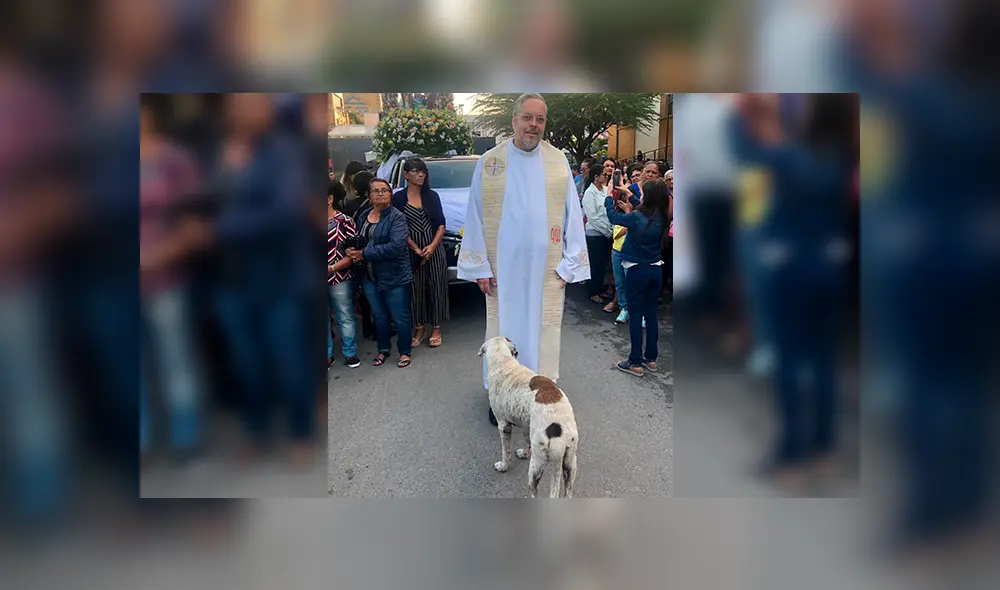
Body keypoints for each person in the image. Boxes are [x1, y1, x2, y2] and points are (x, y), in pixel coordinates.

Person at [728, 93, 853, 486]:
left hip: (792, 271)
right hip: (829, 269)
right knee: (822, 362)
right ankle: (825, 448)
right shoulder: (838, 160)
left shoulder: (787, 157)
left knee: (789, 364)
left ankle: (792, 457)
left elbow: (742, 150)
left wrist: (741, 109)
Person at [457, 93, 589, 423]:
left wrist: (570, 264)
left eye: (540, 119)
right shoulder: (490, 161)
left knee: (540, 333)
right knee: (503, 331)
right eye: (527, 117)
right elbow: (474, 214)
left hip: (546, 272)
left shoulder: (558, 161)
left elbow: (573, 215)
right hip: (504, 271)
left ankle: (539, 397)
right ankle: (500, 398)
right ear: (514, 120)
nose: (534, 125)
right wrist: (480, 267)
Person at [212, 93, 316, 465]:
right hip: (232, 281)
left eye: (251, 104)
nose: (242, 112)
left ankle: (300, 434)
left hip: (279, 282)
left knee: (288, 361)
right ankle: (256, 431)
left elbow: (285, 213)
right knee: (246, 364)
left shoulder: (283, 153)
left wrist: (218, 229)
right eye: (236, 104)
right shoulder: (222, 152)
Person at [139, 94, 212, 463]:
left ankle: (186, 438)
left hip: (164, 279)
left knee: (175, 360)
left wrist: (156, 256)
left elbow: (196, 224)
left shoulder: (172, 160)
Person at [605, 179, 671, 377]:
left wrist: (609, 196)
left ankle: (634, 361)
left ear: (647, 197)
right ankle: (651, 359)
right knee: (651, 315)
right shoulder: (662, 216)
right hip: (655, 271)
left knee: (635, 316)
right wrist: (628, 190)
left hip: (636, 270)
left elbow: (612, 216)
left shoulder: (636, 217)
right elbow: (642, 203)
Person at [347, 178, 414, 368]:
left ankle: (404, 351)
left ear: (390, 194)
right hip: (369, 276)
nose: (380, 194)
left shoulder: (397, 217)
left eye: (385, 190)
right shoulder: (363, 216)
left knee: (400, 316)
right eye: (376, 191)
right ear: (369, 196)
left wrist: (364, 253)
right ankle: (383, 349)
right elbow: (360, 239)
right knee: (379, 316)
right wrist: (351, 250)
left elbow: (396, 247)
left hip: (394, 275)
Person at [393, 157, 449, 349]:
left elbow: (441, 224)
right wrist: (415, 248)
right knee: (414, 291)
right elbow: (397, 227)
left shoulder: (432, 196)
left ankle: (435, 327)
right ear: (406, 175)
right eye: (416, 171)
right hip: (410, 249)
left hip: (434, 248)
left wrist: (432, 247)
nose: (421, 175)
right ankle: (419, 328)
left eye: (423, 171)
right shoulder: (398, 198)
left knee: (436, 287)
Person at [326, 180, 361, 369]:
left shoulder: (344, 221)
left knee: (345, 314)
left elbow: (353, 253)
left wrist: (332, 268)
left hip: (339, 276)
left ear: (330, 199)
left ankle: (350, 352)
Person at [581, 164, 614, 304]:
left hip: (607, 232)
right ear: (596, 177)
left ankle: (600, 289)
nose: (606, 177)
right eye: (604, 175)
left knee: (603, 264)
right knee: (595, 264)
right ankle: (593, 292)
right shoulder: (589, 193)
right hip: (595, 234)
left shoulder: (605, 190)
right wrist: (607, 231)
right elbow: (593, 218)